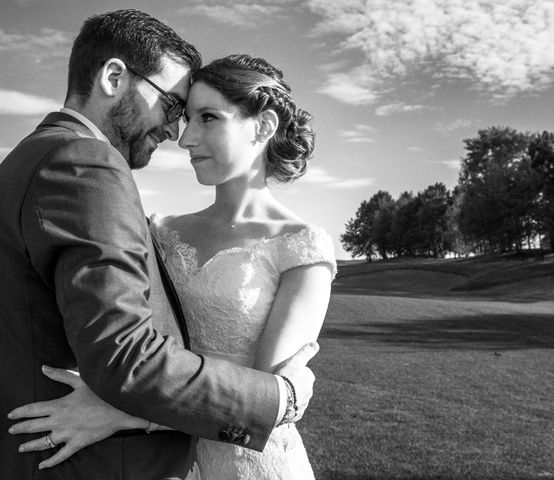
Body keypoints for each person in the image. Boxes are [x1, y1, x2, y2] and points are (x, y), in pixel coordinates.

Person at [0, 11, 318, 480]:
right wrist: (278, 399)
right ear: (113, 77)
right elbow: (125, 354)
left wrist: (124, 411)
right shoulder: (86, 162)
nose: (178, 133)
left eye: (203, 117)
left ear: (263, 127)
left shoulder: (26, 158)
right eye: (175, 107)